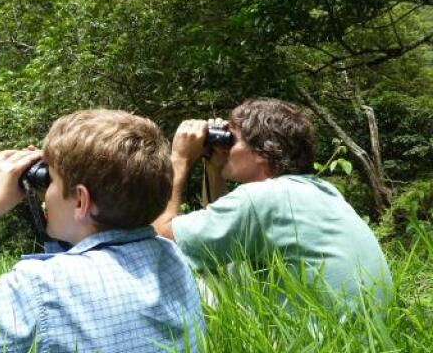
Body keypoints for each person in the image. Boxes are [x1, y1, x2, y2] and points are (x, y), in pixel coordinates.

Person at [0, 109, 203, 352]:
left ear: (80, 201)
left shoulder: (43, 288)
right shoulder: (171, 259)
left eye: (49, 182)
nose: (44, 195)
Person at [153, 98, 392, 306]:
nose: (224, 149)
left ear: (263, 152)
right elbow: (224, 239)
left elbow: (162, 238)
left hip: (315, 343)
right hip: (362, 337)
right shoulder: (323, 190)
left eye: (231, 141)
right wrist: (214, 169)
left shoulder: (262, 199)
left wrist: (179, 159)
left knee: (195, 275)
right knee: (225, 262)